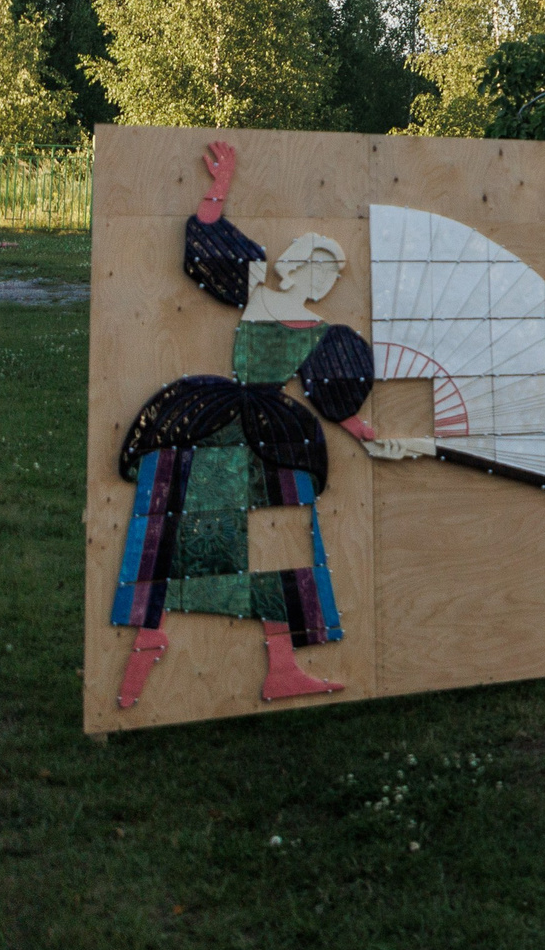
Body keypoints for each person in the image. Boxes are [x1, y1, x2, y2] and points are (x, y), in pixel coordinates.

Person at [111, 142, 377, 708]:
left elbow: (331, 395)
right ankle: (146, 637)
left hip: (274, 435)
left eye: (327, 270)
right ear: (292, 263)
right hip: (215, 418)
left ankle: (280, 666)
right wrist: (220, 187)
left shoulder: (325, 335)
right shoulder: (256, 287)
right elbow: (209, 239)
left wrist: (362, 430)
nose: (317, 275)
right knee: (176, 517)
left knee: (278, 542)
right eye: (311, 261)